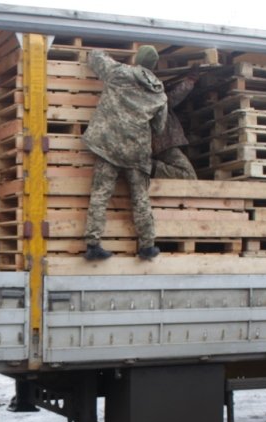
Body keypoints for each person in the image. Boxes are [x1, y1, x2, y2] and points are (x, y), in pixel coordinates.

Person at [82, 45, 168, 262]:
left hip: (108, 146)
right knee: (140, 198)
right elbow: (159, 127)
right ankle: (147, 246)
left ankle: (93, 245)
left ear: (137, 60)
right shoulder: (159, 93)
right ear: (153, 66)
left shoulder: (119, 73)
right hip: (136, 151)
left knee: (101, 193)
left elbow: (96, 56)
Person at [151, 68, 199, 180]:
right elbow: (174, 97)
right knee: (188, 175)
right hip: (165, 144)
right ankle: (148, 167)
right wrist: (190, 81)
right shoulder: (154, 97)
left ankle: (149, 167)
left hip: (159, 144)